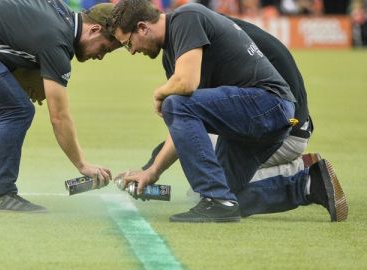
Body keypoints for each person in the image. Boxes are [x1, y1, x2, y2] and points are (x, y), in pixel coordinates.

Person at [109, 0, 347, 222]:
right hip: (253, 119)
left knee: (175, 104)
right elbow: (182, 126)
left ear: (142, 27)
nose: (131, 51)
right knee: (225, 195)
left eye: (128, 43)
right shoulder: (173, 55)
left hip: (268, 106)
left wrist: (159, 94)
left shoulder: (185, 18)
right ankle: (307, 184)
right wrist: (151, 172)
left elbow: (186, 86)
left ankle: (218, 198)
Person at [0, 0, 120, 212]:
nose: (100, 56)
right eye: (105, 48)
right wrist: (82, 164)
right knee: (18, 110)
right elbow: (59, 116)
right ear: (94, 29)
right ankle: (1, 193)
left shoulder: (61, 12)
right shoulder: (57, 41)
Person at [138, 15, 316, 194]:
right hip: (282, 122)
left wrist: (152, 170)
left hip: (285, 132)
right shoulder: (216, 30)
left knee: (208, 190)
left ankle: (302, 175)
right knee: (205, 169)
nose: (132, 51)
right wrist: (151, 167)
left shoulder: (205, 44)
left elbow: (186, 123)